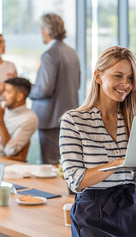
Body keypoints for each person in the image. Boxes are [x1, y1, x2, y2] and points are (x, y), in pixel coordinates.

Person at [60, 46, 136, 237]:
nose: (126, 84)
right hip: (93, 213)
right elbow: (75, 181)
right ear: (98, 76)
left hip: (135, 210)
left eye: (131, 78)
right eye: (118, 76)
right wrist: (119, 163)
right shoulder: (74, 120)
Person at [29, 13, 80, 165]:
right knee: (65, 162)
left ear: (46, 30)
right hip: (68, 116)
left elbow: (44, 89)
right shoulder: (72, 53)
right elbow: (77, 84)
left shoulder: (49, 55)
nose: (41, 32)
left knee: (51, 163)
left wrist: (27, 89)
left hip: (50, 118)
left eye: (41, 29)